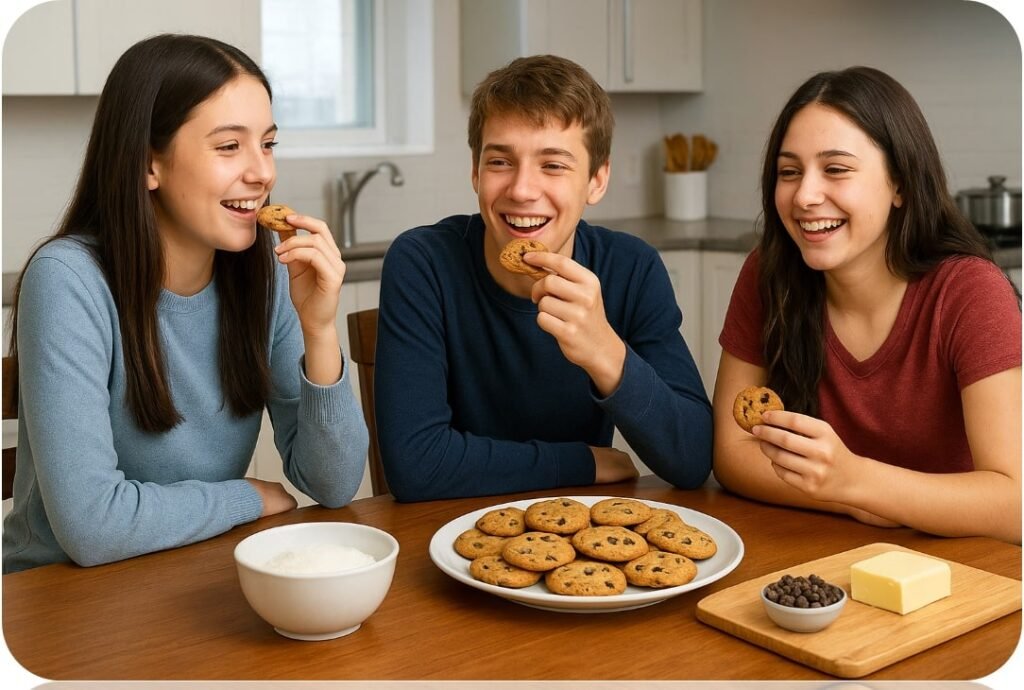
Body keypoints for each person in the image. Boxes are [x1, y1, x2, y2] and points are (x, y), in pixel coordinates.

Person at [2, 34, 369, 573]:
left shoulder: (267, 267)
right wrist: (245, 498)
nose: (262, 172)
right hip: (60, 598)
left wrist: (319, 331)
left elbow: (333, 485)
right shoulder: (68, 280)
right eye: (228, 146)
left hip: (190, 571)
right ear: (149, 164)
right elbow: (91, 528)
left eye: (267, 144)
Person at [374, 55, 712, 502]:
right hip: (443, 531)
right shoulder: (423, 263)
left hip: (577, 536)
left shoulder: (631, 269)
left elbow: (691, 459)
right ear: (475, 171)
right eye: (500, 162)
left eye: (553, 165)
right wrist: (582, 462)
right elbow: (417, 466)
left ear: (597, 180)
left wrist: (605, 352)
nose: (522, 189)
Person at [714, 66, 1021, 543]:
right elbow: (732, 452)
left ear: (899, 183)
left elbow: (1013, 504)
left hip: (960, 570)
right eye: (789, 172)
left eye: (835, 169)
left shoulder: (970, 293)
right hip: (823, 553)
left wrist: (858, 482)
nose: (806, 195)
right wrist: (848, 497)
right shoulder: (768, 274)